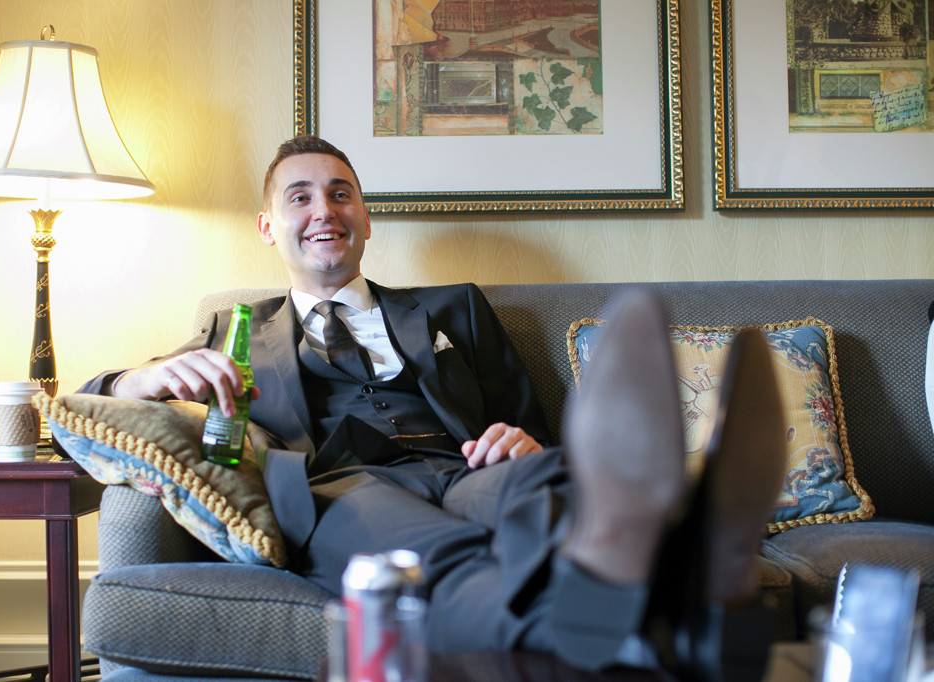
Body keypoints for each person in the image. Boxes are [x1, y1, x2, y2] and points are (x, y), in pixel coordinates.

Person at [80, 136, 786, 678]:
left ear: (366, 217)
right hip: (341, 486)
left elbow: (530, 426)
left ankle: (684, 532)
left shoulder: (456, 308)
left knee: (552, 486)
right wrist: (141, 379)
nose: (324, 210)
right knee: (437, 555)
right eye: (300, 197)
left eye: (341, 194)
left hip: (468, 467)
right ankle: (655, 605)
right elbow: (88, 404)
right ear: (268, 226)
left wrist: (523, 443)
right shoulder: (231, 330)